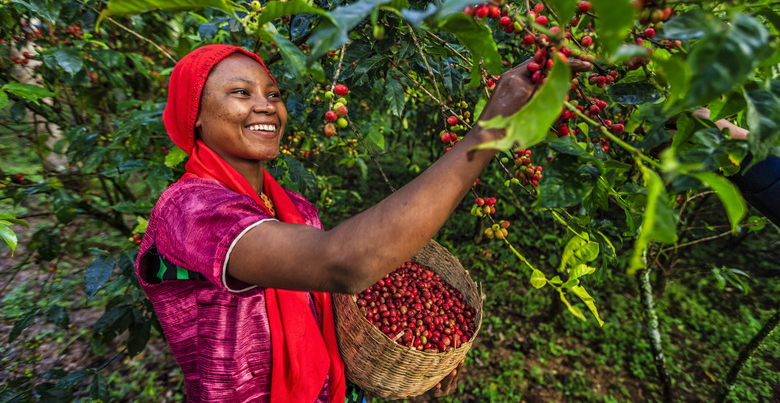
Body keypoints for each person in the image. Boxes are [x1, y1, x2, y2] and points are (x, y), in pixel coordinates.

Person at [134, 44, 591, 402]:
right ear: (193, 115)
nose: (267, 106)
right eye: (241, 93)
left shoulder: (293, 206)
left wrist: (414, 355)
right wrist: (489, 130)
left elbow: (325, 307)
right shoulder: (189, 209)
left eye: (273, 94)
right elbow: (343, 264)